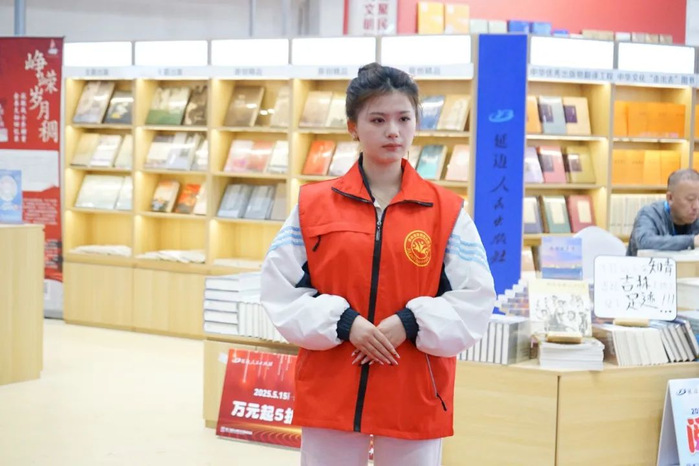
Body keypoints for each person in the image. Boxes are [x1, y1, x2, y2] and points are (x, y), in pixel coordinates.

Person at [260, 62, 496, 466]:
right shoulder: (313, 205)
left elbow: (475, 298)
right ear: (353, 127)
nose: (393, 131)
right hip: (332, 383)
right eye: (378, 119)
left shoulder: (447, 211)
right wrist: (345, 323)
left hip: (414, 387)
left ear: (416, 123)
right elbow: (279, 289)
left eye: (404, 118)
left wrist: (409, 322)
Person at [627, 168, 699, 256]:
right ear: (670, 198)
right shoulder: (650, 214)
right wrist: (692, 241)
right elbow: (644, 242)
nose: (696, 206)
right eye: (690, 199)